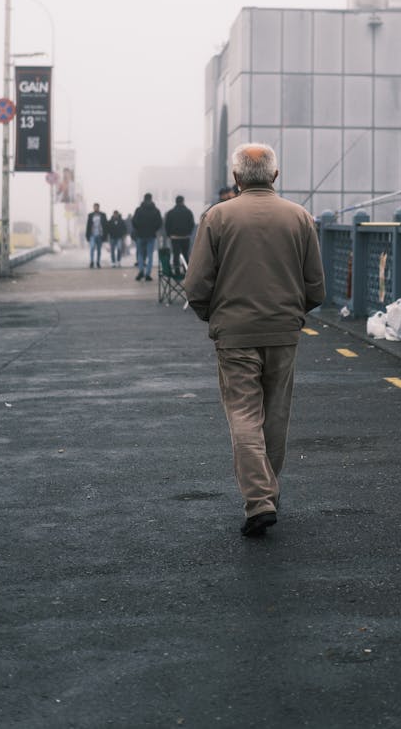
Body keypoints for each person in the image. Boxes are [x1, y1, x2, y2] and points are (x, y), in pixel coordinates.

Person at [184, 143, 325, 538]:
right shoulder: (299, 218)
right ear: (275, 177)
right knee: (275, 415)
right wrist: (293, 314)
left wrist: (214, 318)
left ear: (236, 178)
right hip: (283, 331)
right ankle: (268, 492)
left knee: (244, 415)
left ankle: (259, 500)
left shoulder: (217, 217)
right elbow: (316, 287)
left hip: (234, 333)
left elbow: (196, 285)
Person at [132, 192, 162, 282]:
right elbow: (159, 223)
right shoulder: (156, 210)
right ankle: (148, 274)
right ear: (151, 199)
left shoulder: (138, 210)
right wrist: (154, 229)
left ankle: (141, 270)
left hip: (140, 235)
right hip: (151, 235)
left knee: (140, 254)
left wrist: (138, 229)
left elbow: (134, 221)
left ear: (144, 199)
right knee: (150, 255)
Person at [164, 195, 196, 276]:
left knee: (176, 254)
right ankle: (186, 270)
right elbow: (192, 224)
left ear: (176, 202)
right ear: (183, 201)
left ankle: (177, 271)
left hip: (174, 237)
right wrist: (189, 232)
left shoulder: (170, 212)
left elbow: (167, 225)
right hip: (185, 237)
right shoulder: (188, 212)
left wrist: (169, 234)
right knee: (185, 254)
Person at [85, 203, 108, 269]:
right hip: (92, 234)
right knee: (92, 248)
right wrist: (87, 235)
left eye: (97, 207)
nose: (96, 208)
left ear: (99, 207)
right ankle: (92, 261)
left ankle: (98, 262)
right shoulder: (90, 215)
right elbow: (88, 226)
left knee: (99, 249)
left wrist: (105, 235)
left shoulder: (103, 215)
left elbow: (105, 226)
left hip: (100, 235)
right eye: (95, 207)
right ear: (93, 208)